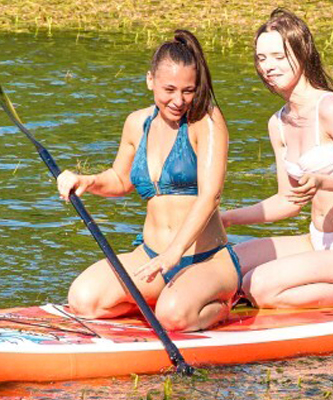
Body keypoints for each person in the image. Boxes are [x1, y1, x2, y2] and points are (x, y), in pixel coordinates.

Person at [55, 30, 240, 332]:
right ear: (150, 80)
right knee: (84, 299)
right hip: (152, 256)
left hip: (205, 260)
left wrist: (173, 253)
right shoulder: (136, 123)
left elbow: (211, 197)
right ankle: (167, 299)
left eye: (188, 91)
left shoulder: (206, 120)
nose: (179, 101)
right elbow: (120, 180)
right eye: (169, 89)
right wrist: (86, 181)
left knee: (173, 317)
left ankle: (221, 305)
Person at [221, 9, 333, 308]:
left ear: (302, 53)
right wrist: (227, 217)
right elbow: (288, 201)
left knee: (255, 285)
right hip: (315, 240)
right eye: (261, 58)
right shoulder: (277, 123)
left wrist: (322, 181)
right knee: (226, 265)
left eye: (278, 56)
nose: (268, 67)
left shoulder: (330, 107)